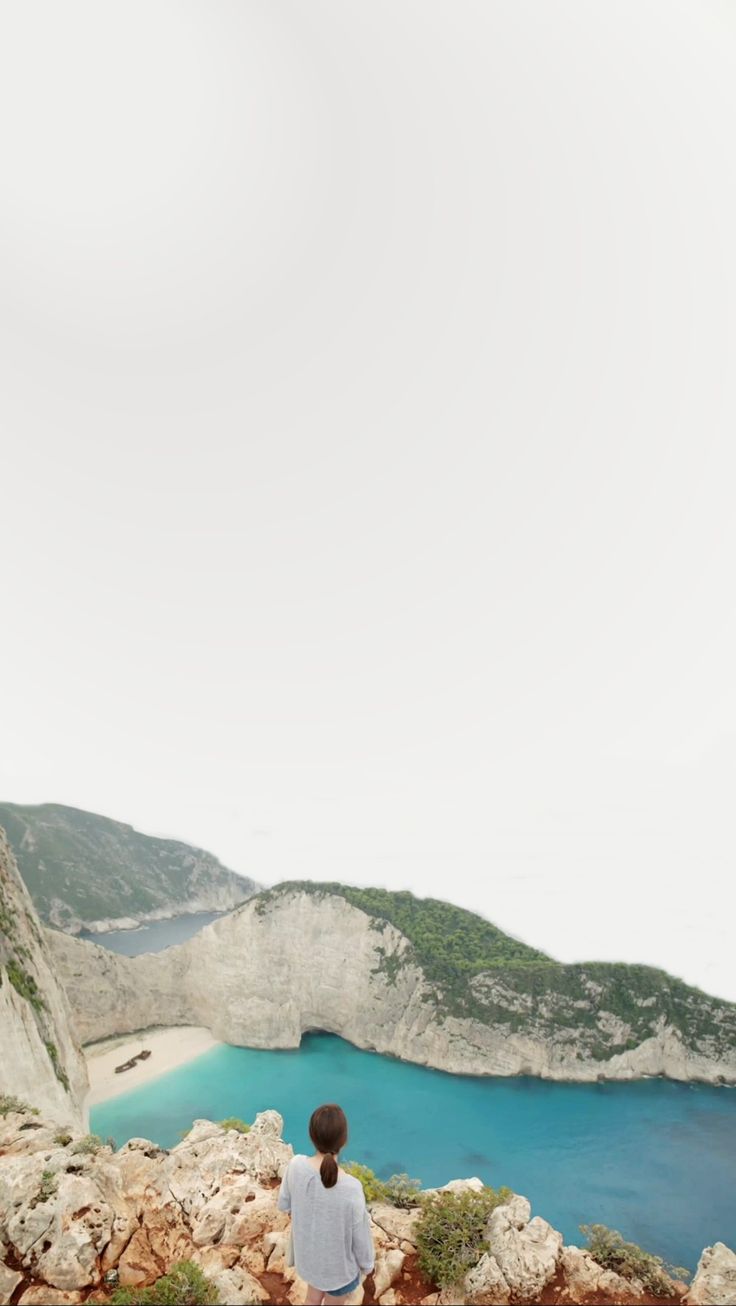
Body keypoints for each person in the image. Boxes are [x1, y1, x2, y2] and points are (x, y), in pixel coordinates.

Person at [277, 1102, 375, 1304]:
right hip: (338, 1272)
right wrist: (367, 1266)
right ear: (344, 1140)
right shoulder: (351, 1188)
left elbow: (284, 1204)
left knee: (312, 1300)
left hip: (309, 1261)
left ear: (312, 1136)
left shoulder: (295, 1166)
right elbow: (360, 1238)